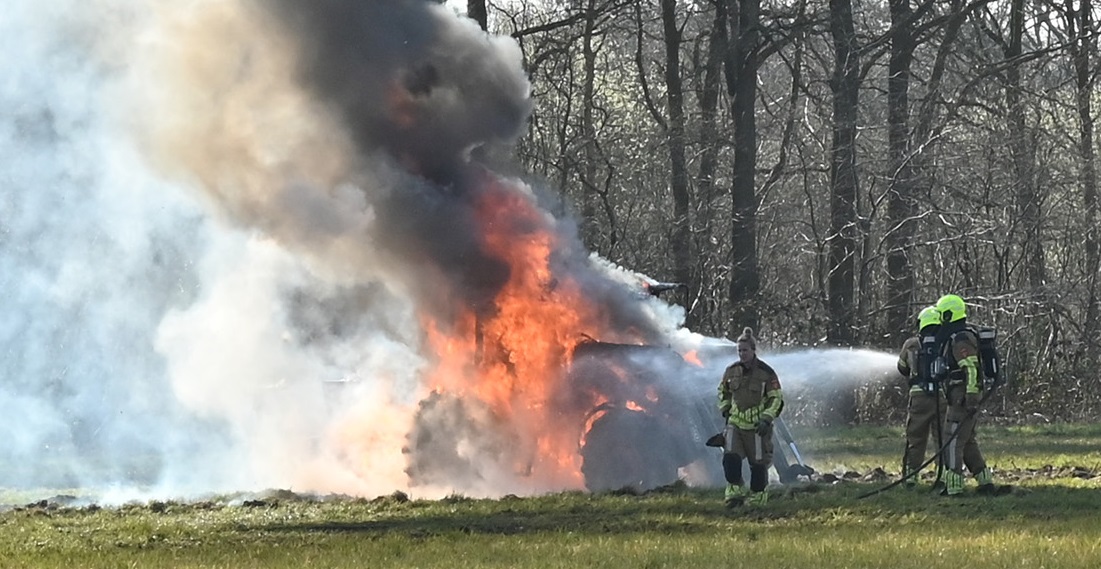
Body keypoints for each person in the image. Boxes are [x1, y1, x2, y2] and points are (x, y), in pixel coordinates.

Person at [934, 294, 1000, 496]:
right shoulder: (958, 336)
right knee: (968, 441)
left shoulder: (961, 339)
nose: (939, 320)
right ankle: (985, 482)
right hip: (961, 395)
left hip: (962, 397)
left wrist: (971, 399)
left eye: (942, 315)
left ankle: (954, 487)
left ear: (949, 315)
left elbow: (972, 368)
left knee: (952, 440)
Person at [717, 327, 784, 507]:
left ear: (753, 350)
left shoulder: (766, 373)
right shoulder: (731, 371)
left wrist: (766, 419)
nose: (742, 354)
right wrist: (725, 409)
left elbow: (776, 398)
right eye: (739, 350)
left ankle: (757, 498)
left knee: (758, 465)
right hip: (735, 424)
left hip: (757, 427)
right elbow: (723, 391)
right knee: (730, 459)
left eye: (745, 350)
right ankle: (734, 496)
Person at [896, 306, 947, 488]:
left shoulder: (911, 344)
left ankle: (910, 476)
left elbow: (902, 368)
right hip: (942, 397)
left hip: (919, 398)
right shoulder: (946, 343)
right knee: (942, 437)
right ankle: (944, 476)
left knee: (916, 437)